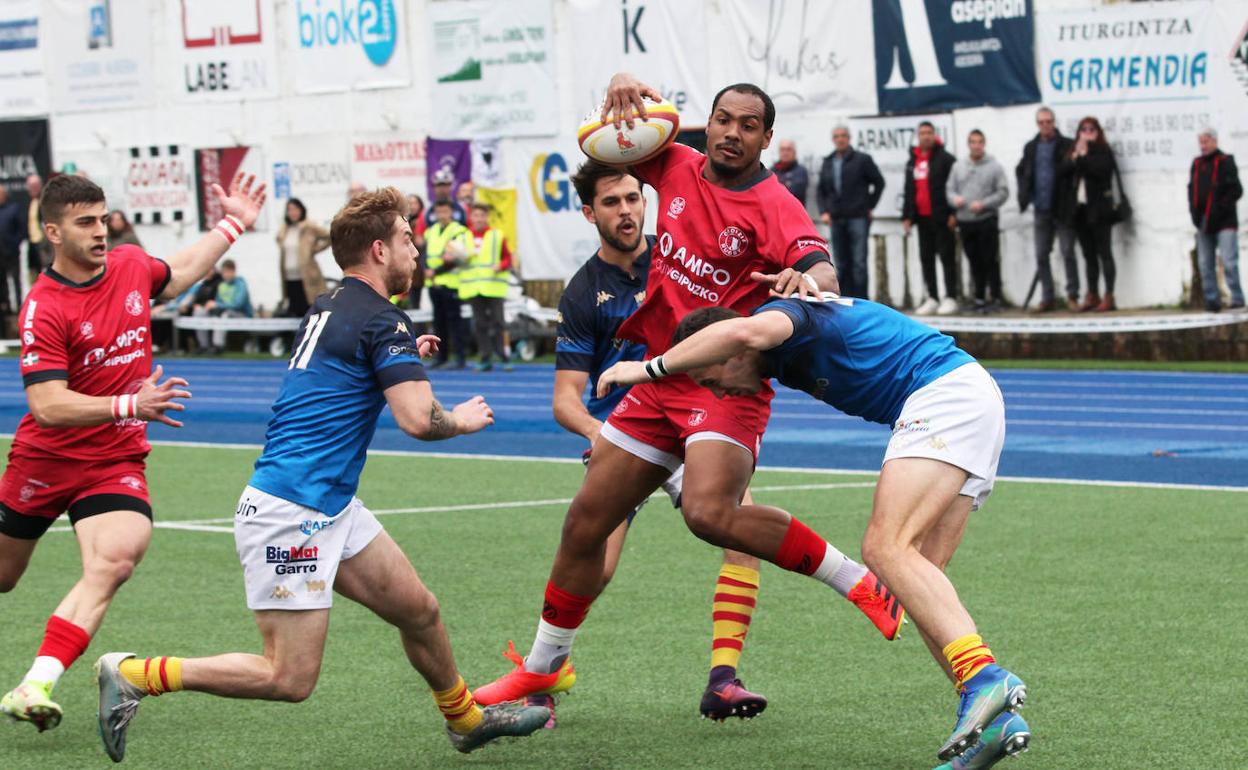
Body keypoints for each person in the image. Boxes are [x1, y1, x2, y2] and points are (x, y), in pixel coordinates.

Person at [472, 76, 903, 719]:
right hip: (656, 381)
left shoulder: (774, 203)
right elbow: (599, 145)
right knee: (586, 522)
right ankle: (541, 669)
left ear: (765, 137)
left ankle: (860, 583)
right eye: (722, 119)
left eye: (748, 124)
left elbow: (821, 269)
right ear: (708, 122)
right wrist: (619, 93)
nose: (731, 132)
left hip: (723, 383)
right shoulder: (674, 163)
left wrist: (803, 276)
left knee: (709, 514)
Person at [93, 187, 550, 762]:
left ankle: (465, 719)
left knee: (420, 610)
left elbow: (346, 373)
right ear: (380, 250)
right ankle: (135, 673)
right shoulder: (383, 320)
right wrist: (458, 419)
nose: (417, 249)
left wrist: (405, 355)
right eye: (408, 238)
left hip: (326, 504)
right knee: (289, 677)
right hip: (293, 513)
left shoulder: (334, 303)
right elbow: (417, 419)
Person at [595, 295, 1028, 766]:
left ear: (731, 353)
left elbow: (743, 329)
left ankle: (985, 678)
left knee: (884, 549)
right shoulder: (781, 340)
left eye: (710, 381)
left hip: (943, 397)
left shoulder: (779, 320)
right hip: (969, 399)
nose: (717, 395)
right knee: (919, 575)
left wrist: (647, 369)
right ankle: (992, 720)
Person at [0, 172, 265, 732]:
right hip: (45, 461)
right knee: (3, 576)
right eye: (85, 223)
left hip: (113, 461)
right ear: (53, 231)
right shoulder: (43, 307)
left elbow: (181, 273)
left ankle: (35, 684)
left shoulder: (128, 264)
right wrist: (128, 404)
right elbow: (47, 404)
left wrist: (234, 222)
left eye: (102, 219)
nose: (100, 232)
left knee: (116, 559)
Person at [1016, 107, 1077, 312]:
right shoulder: (1031, 147)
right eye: (1041, 122)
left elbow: (1072, 172)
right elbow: (1022, 171)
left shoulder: (1066, 145)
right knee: (1041, 254)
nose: (1045, 125)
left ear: (1054, 122)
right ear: (1037, 124)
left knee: (1067, 251)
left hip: (1062, 208)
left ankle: (1072, 295)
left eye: (1048, 121)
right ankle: (1047, 296)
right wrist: (1026, 196)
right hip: (1041, 208)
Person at [817, 125, 886, 299]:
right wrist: (824, 211)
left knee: (859, 263)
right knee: (841, 263)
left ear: (849, 138)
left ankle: (862, 301)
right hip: (836, 218)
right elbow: (821, 190)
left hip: (858, 218)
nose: (840, 139)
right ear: (833, 139)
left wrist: (869, 205)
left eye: (843, 136)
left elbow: (879, 183)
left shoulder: (862, 160)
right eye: (837, 136)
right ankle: (846, 301)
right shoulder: (828, 161)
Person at [1059, 117, 1119, 312]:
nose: (1087, 132)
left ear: (1098, 131)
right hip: (1081, 211)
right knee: (1088, 255)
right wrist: (1076, 155)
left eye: (1091, 129)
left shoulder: (1103, 151)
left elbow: (1100, 173)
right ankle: (1092, 293)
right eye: (1083, 129)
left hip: (1100, 211)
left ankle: (1109, 294)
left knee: (1105, 253)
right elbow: (1063, 171)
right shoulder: (1074, 152)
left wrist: (1084, 156)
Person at [947, 130, 1009, 313]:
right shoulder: (958, 167)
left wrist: (984, 204)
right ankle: (979, 298)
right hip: (965, 221)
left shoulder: (995, 167)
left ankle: (996, 297)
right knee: (974, 261)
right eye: (973, 142)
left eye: (980, 142)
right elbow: (949, 190)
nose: (976, 145)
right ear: (969, 144)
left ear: (984, 144)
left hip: (986, 219)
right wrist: (955, 199)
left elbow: (1003, 192)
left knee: (990, 260)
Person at [903, 122, 959, 315]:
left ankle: (951, 296)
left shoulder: (946, 159)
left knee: (947, 257)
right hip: (922, 219)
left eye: (929, 133)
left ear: (934, 135)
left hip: (942, 218)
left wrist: (954, 214)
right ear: (918, 136)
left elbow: (954, 187)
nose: (926, 136)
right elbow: (909, 189)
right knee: (926, 258)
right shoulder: (913, 161)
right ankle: (932, 297)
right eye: (922, 133)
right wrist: (907, 216)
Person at [1188, 128, 1244, 312]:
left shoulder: (1226, 161)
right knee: (1205, 263)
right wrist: (1195, 214)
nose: (1203, 146)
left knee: (1228, 261)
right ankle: (1212, 301)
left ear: (1214, 141)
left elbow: (1236, 190)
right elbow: (1191, 190)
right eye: (1201, 142)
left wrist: (1220, 209)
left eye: (1206, 142)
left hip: (1225, 221)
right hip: (1203, 221)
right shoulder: (1197, 164)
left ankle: (1237, 298)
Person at [459, 203, 512, 371]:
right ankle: (485, 357)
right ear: (471, 218)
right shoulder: (463, 237)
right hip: (474, 288)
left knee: (498, 323)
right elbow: (455, 260)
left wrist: (501, 266)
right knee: (480, 324)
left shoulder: (497, 236)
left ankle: (503, 357)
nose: (479, 219)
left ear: (487, 217)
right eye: (476, 215)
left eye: (482, 215)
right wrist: (451, 257)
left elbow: (508, 258)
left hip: (493, 287)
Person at [424, 200, 471, 368]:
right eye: (439, 211)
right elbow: (427, 254)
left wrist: (435, 271)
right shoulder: (431, 231)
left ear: (451, 212)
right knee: (439, 323)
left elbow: (459, 258)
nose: (442, 215)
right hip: (434, 284)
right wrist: (426, 270)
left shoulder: (459, 231)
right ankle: (441, 356)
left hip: (451, 283)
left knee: (455, 323)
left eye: (445, 211)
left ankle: (459, 357)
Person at [276, 198, 331, 318]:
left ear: (301, 210)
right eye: (289, 210)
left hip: (306, 277)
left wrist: (314, 249)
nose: (293, 212)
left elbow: (328, 236)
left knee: (309, 310)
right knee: (294, 311)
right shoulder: (285, 229)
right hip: (290, 279)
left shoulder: (309, 227)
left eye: (295, 209)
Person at [192, 259, 253, 353]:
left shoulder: (240, 284)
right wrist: (209, 307)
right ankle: (203, 345)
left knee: (224, 314)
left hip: (242, 314)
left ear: (234, 271)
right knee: (201, 312)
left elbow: (238, 305)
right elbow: (218, 302)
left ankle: (218, 345)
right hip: (225, 311)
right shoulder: (222, 285)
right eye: (224, 272)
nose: (226, 274)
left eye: (228, 272)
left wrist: (217, 305)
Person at [0, 186, 25, 326]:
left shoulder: (13, 209)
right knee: (2, 284)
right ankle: (7, 310)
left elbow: (21, 229)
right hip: (0, 256)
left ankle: (20, 308)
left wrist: (14, 244)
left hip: (12, 252)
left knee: (16, 280)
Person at [26, 174, 50, 279]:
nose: (33, 188)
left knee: (46, 273)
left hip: (44, 244)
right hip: (32, 243)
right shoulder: (31, 202)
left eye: (35, 186)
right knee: (33, 273)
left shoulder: (45, 201)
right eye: (31, 186)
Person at [771, 139, 809, 206]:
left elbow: (794, 193)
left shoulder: (801, 171)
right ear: (779, 152)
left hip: (794, 213)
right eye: (782, 149)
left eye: (788, 149)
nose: (785, 152)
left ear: (794, 152)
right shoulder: (771, 171)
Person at [406, 193, 428, 309]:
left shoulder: (425, 221)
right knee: (414, 301)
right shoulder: (405, 222)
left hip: (423, 263)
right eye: (409, 204)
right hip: (412, 266)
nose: (412, 206)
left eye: (415, 203)